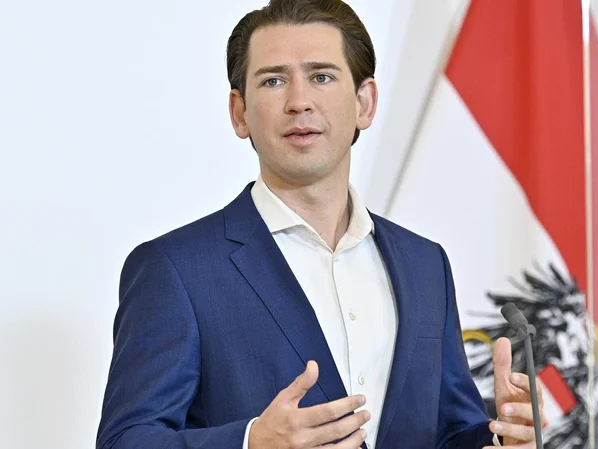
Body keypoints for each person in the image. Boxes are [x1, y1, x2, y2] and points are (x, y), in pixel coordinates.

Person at [96, 1, 544, 448]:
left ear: (364, 103)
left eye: (322, 77)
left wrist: (502, 441)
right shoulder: (175, 269)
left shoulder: (425, 264)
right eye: (273, 80)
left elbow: (448, 432)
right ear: (240, 112)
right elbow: (125, 441)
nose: (299, 102)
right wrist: (252, 442)